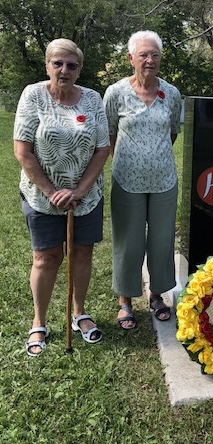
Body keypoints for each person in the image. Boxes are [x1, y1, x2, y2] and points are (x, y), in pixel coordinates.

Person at [14, 38, 110, 356]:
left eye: (71, 65)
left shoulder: (93, 99)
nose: (64, 70)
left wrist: (80, 190)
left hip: (86, 197)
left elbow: (102, 148)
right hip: (43, 197)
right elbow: (23, 151)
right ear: (47, 65)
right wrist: (51, 191)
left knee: (82, 254)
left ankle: (79, 313)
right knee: (46, 257)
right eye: (58, 63)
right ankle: (39, 321)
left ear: (79, 69)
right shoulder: (33, 95)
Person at [103, 30, 182, 330]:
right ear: (131, 58)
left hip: (164, 180)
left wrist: (153, 157)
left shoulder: (171, 94)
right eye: (144, 55)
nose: (150, 60)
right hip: (127, 180)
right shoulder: (115, 93)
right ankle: (125, 301)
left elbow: (172, 132)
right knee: (129, 242)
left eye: (155, 55)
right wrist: (129, 161)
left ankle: (157, 296)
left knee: (162, 242)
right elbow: (109, 134)